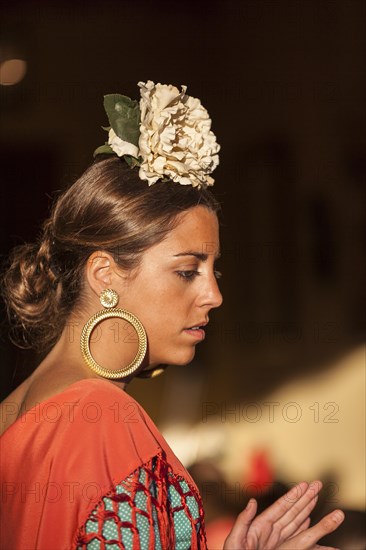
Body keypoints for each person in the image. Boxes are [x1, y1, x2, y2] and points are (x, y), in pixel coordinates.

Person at [0, 81, 344, 549]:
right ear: (105, 273)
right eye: (187, 271)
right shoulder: (102, 419)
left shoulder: (17, 410)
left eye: (213, 269)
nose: (215, 295)